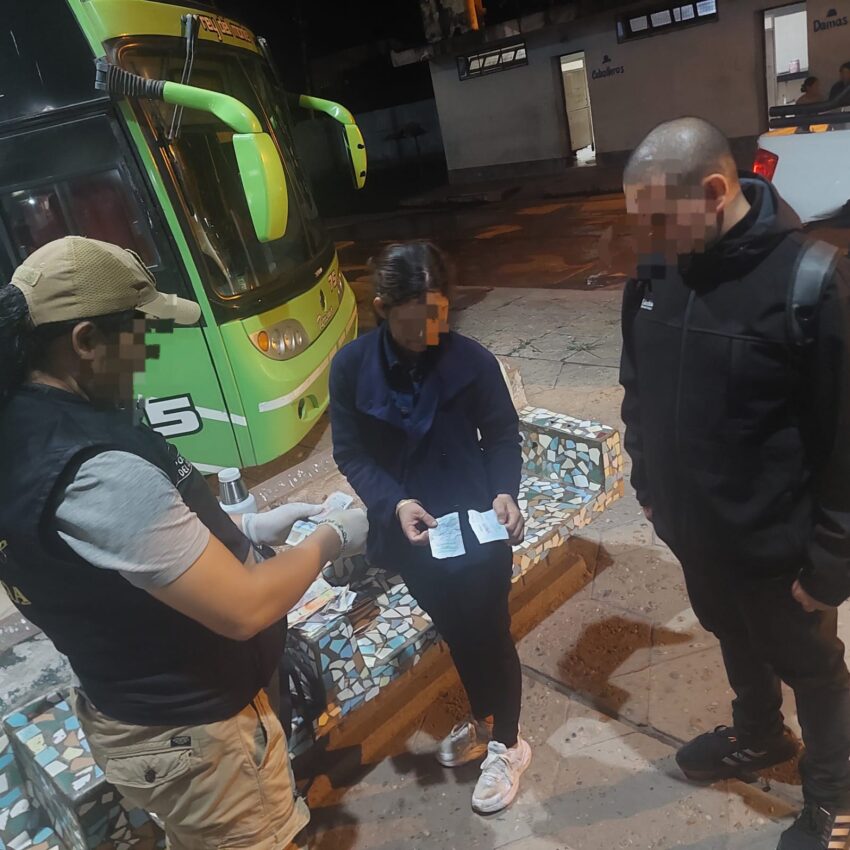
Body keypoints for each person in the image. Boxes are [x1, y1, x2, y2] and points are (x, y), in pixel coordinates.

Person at [0, 236, 368, 850]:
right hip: (196, 736)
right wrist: (332, 537)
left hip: (141, 715)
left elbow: (127, 557)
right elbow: (245, 608)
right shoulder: (91, 468)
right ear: (85, 340)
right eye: (140, 334)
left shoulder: (25, 426)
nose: (148, 354)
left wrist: (246, 530)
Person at [619, 117, 850, 850]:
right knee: (730, 633)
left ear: (715, 192)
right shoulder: (656, 272)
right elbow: (637, 387)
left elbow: (845, 437)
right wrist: (649, 483)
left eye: (659, 219)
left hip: (780, 550)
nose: (649, 237)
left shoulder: (809, 281)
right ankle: (759, 734)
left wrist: (833, 560)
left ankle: (836, 797)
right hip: (696, 534)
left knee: (813, 669)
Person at [328, 241, 530, 814]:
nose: (425, 335)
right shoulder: (351, 368)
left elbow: (503, 435)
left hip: (478, 526)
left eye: (437, 319)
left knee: (490, 631)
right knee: (456, 630)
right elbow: (351, 453)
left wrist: (504, 490)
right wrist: (393, 503)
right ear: (382, 308)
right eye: (411, 323)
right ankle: (484, 717)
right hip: (412, 533)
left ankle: (509, 742)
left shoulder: (472, 361)